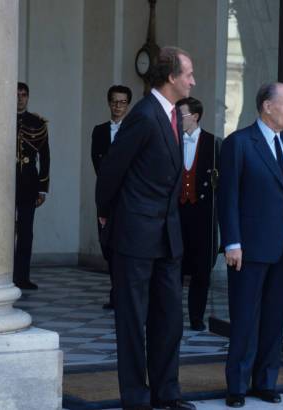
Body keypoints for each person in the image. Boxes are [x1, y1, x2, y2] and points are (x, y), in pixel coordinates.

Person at [95, 47, 196, 410]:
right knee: (133, 322)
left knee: (169, 320)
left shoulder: (171, 114)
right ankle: (137, 400)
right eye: (188, 74)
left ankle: (167, 393)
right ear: (171, 77)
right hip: (135, 236)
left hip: (167, 238)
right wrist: (106, 215)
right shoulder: (144, 115)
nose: (193, 80)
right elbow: (111, 171)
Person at [218, 82, 283, 408]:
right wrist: (231, 242)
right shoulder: (239, 144)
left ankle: (266, 381)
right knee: (245, 319)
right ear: (267, 106)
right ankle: (237, 386)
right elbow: (227, 197)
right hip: (248, 248)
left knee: (275, 319)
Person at [176, 96, 220, 331]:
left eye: (180, 115)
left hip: (202, 217)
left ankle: (196, 317)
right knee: (174, 268)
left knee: (201, 271)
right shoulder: (172, 140)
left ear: (195, 117)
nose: (177, 119)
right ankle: (171, 316)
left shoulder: (214, 144)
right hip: (177, 214)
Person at [91, 84, 133, 310]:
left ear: (128, 105)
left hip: (128, 198)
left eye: (123, 102)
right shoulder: (99, 131)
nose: (118, 106)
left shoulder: (134, 130)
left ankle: (121, 294)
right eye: (114, 102)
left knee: (125, 247)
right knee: (107, 245)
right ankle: (115, 290)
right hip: (106, 196)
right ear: (109, 103)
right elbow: (97, 163)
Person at [14, 82, 50, 290]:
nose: (20, 98)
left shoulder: (37, 123)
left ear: (28, 97)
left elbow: (45, 157)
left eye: (23, 94)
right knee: (4, 232)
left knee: (26, 232)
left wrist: (42, 188)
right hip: (4, 183)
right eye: (17, 94)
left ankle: (22, 277)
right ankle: (3, 275)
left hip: (28, 184)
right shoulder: (0, 119)